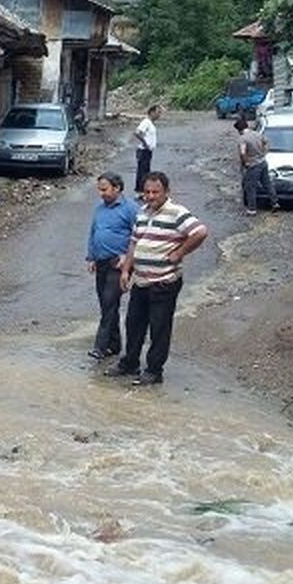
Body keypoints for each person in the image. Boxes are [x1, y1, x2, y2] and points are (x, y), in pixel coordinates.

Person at [106, 172, 208, 386]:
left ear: (166, 192)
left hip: (164, 281)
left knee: (159, 327)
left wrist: (180, 253)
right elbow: (134, 243)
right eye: (147, 192)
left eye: (155, 192)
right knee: (133, 323)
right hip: (141, 280)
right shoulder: (142, 212)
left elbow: (200, 232)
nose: (150, 196)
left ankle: (154, 370)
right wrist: (126, 271)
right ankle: (130, 363)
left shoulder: (177, 212)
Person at [84, 172, 138, 359]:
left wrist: (128, 259)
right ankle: (114, 345)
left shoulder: (131, 209)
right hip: (101, 262)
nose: (101, 193)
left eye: (105, 189)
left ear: (117, 188)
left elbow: (138, 235)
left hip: (119, 263)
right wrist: (91, 257)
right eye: (99, 189)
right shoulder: (99, 210)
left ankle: (100, 346)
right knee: (106, 304)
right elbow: (93, 232)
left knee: (109, 301)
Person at [235, 117, 277, 215]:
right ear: (247, 126)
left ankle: (252, 209)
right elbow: (267, 143)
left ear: (238, 130)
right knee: (267, 183)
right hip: (263, 162)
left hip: (253, 165)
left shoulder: (243, 139)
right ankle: (275, 202)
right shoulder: (257, 134)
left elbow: (242, 153)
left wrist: (245, 163)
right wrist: (264, 153)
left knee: (250, 187)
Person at [133, 105, 161, 194]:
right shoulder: (146, 122)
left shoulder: (150, 123)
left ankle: (141, 190)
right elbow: (137, 133)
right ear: (152, 112)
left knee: (145, 170)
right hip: (144, 150)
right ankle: (141, 191)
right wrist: (145, 143)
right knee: (143, 172)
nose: (159, 115)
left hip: (148, 151)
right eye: (157, 113)